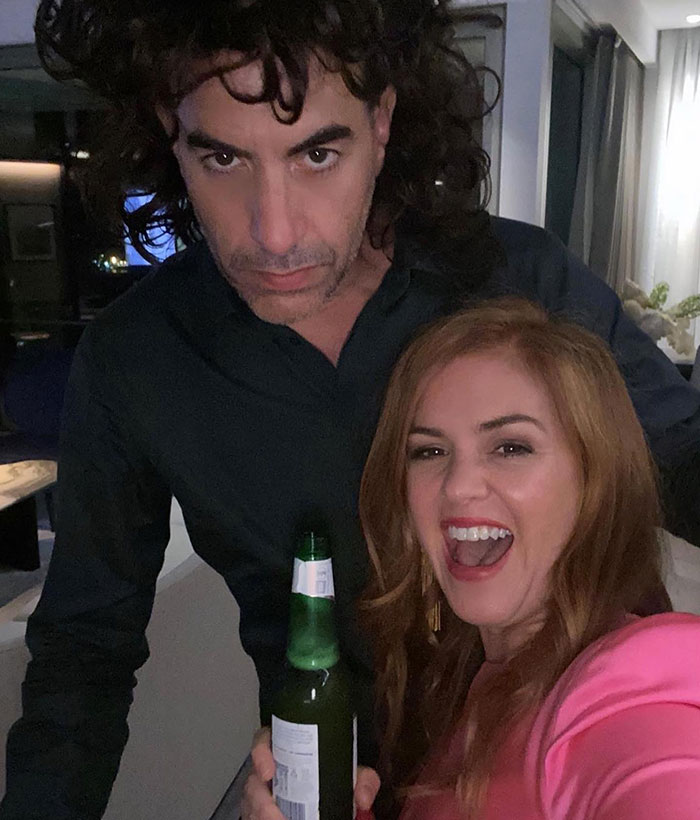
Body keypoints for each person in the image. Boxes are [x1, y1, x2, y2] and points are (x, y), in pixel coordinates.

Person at [1, 1, 700, 818]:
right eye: (222, 157)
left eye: (317, 154)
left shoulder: (518, 279)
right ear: (170, 132)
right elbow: (84, 650)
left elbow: (685, 461)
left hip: (555, 760)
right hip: (323, 781)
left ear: (382, 123)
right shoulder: (137, 357)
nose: (273, 233)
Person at [357, 297, 700, 818]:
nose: (458, 486)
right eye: (429, 451)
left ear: (596, 482)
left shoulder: (621, 698)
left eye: (511, 447)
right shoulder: (467, 670)